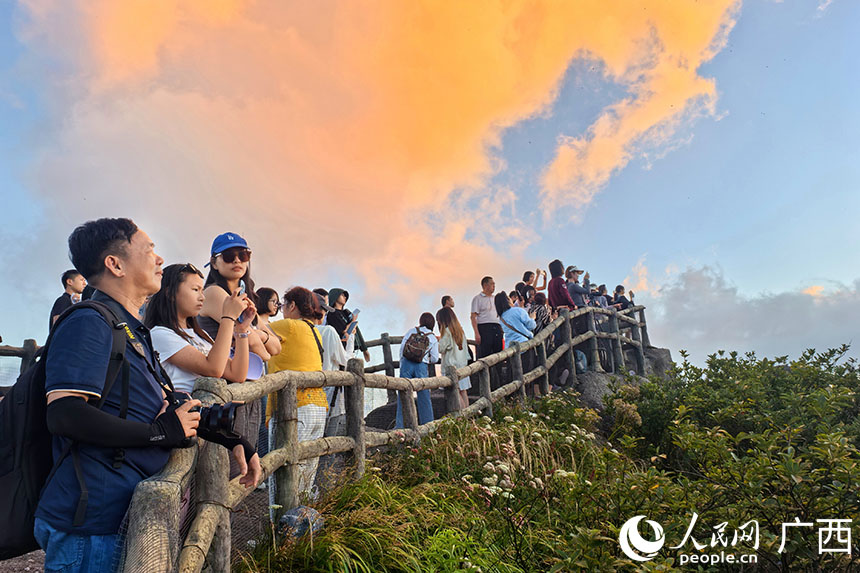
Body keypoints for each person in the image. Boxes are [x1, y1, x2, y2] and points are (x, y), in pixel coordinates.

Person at [35, 218, 258, 572]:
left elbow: (162, 406)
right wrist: (158, 433)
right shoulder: (89, 322)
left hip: (122, 515)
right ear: (115, 264)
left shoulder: (130, 329)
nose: (159, 259)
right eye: (149, 249)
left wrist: (232, 438)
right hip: (92, 524)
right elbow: (64, 414)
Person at [146, 264, 256, 394]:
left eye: (202, 290)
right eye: (195, 290)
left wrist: (241, 330)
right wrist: (228, 317)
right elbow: (214, 369)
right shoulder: (160, 334)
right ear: (170, 293)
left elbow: (237, 374)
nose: (202, 297)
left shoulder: (200, 335)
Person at [267, 287, 327, 500]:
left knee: (282, 473)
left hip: (294, 408)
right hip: (318, 407)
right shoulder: (314, 331)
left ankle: (279, 531)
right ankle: (303, 530)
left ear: (292, 305)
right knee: (305, 477)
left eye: (283, 305)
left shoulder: (289, 326)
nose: (281, 310)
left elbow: (255, 332)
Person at [395, 312, 439, 428]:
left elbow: (402, 348)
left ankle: (400, 426)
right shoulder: (432, 337)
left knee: (403, 394)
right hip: (421, 365)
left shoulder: (411, 331)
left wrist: (402, 363)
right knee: (424, 395)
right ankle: (428, 425)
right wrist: (425, 359)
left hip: (406, 363)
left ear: (421, 321)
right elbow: (434, 358)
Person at [495, 291, 541, 395]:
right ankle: (527, 398)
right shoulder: (518, 311)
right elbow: (531, 326)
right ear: (507, 300)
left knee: (514, 375)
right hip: (524, 345)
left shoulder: (501, 318)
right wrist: (532, 318)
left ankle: (514, 399)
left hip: (510, 349)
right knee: (527, 373)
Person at [436, 307, 471, 409]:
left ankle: (462, 417)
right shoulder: (460, 331)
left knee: (456, 392)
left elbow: (441, 349)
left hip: (451, 367)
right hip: (462, 365)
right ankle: (468, 416)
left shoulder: (446, 332)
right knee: (463, 392)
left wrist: (438, 340)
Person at [326, 288, 371, 363]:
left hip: (349, 348)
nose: (345, 297)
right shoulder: (332, 314)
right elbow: (344, 330)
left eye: (345, 296)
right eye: (342, 295)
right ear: (335, 296)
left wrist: (364, 349)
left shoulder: (346, 313)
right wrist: (353, 321)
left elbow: (356, 330)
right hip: (340, 350)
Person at [470, 276, 502, 365]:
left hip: (497, 326)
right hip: (484, 327)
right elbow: (473, 317)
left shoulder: (496, 298)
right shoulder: (477, 298)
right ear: (485, 285)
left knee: (498, 354)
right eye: (492, 284)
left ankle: (497, 377)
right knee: (485, 355)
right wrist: (476, 333)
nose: (494, 286)